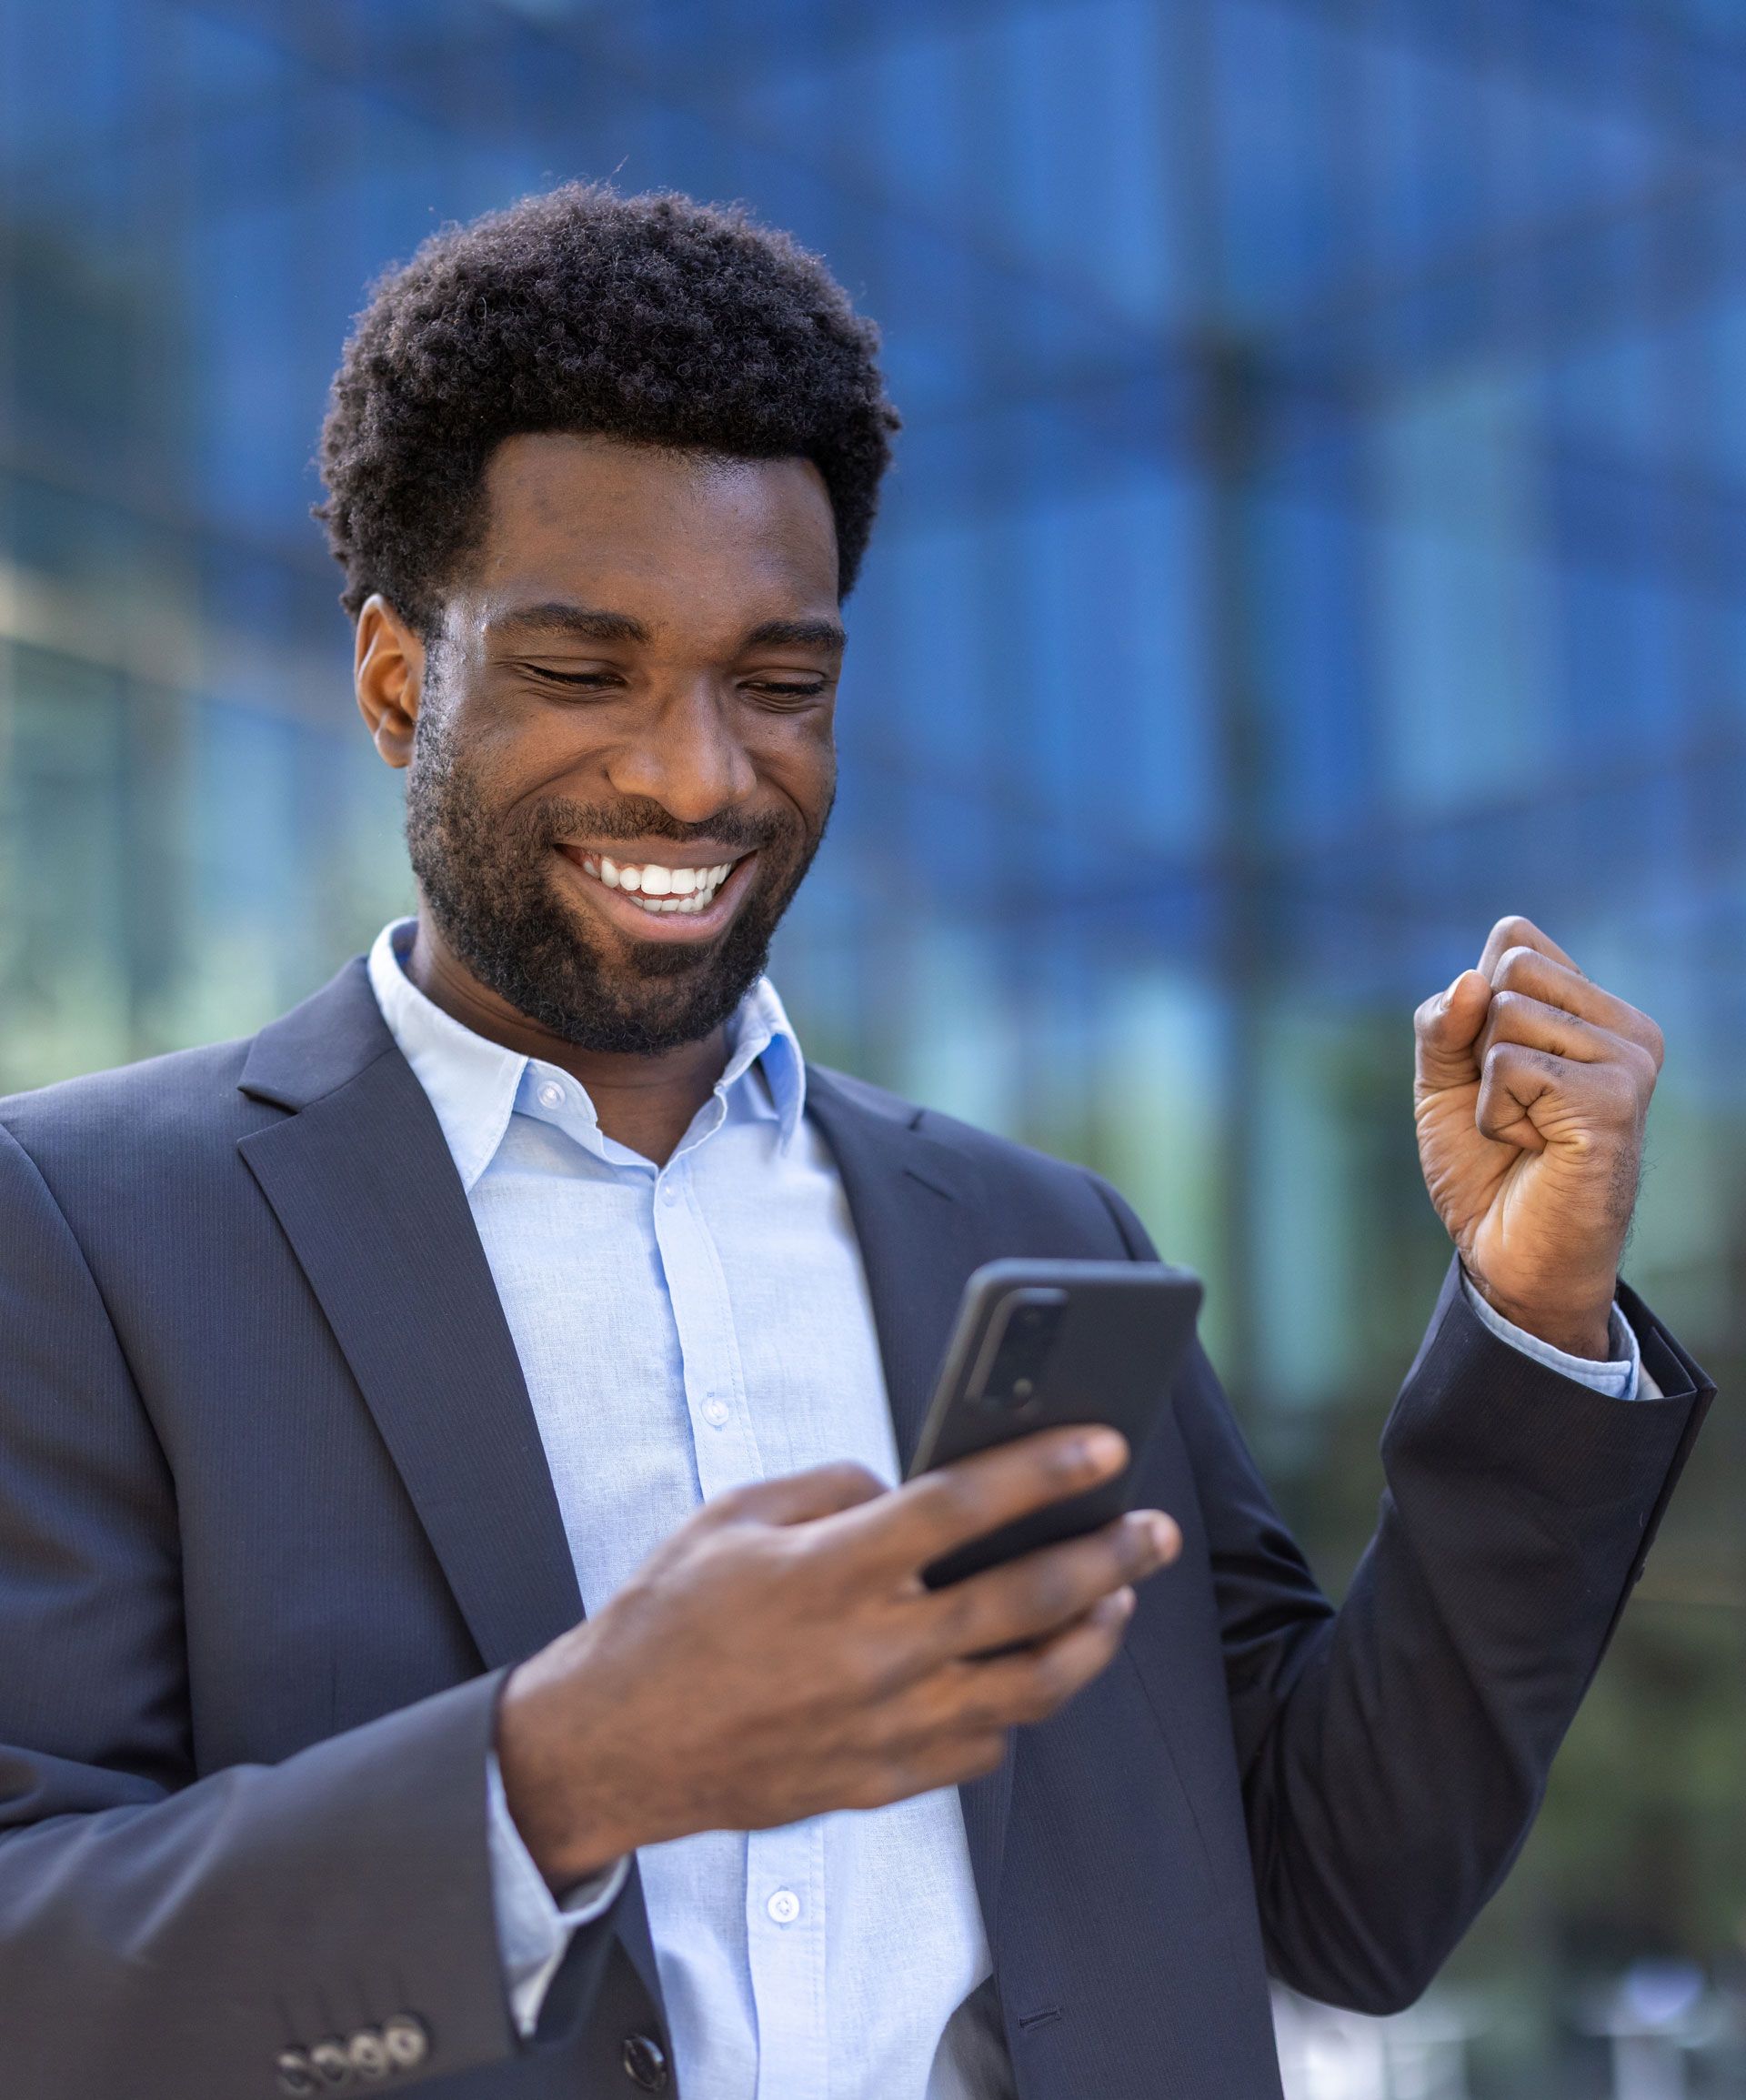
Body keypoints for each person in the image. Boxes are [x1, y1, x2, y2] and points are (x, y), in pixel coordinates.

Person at [0, 185, 1711, 2100]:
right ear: (400, 678)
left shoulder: (1036, 1233)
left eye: (779, 683)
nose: (696, 773)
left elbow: (1345, 1895)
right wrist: (565, 1769)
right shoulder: (83, 1228)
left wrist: (1536, 1318)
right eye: (583, 672)